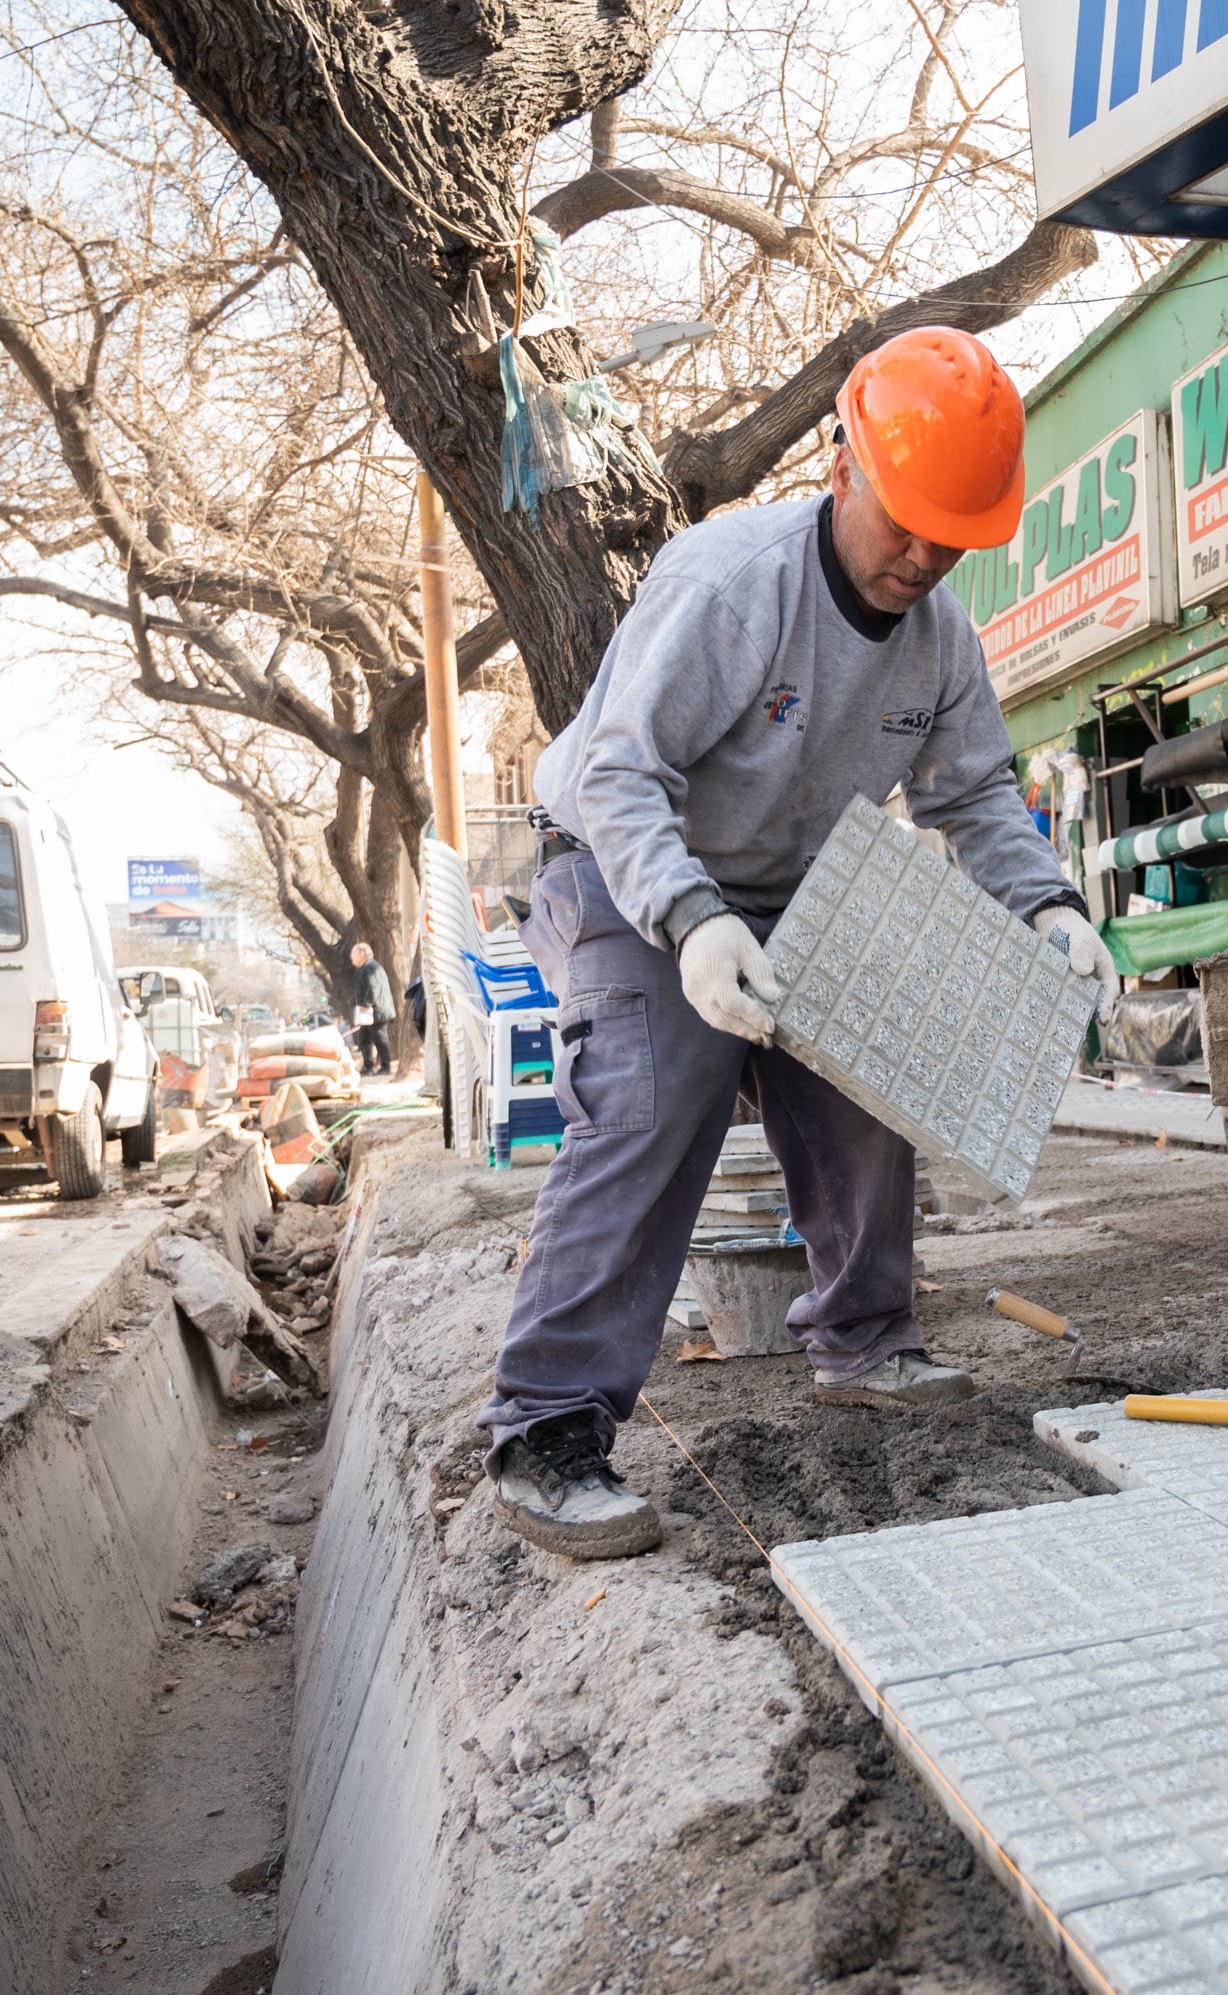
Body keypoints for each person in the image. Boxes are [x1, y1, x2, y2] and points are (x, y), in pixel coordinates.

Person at [482, 327, 1109, 1559]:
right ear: (841, 469)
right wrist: (694, 923)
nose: (925, 557)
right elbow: (616, 775)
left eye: (952, 537)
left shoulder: (939, 640)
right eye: (906, 521)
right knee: (662, 1089)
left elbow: (974, 797)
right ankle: (547, 1428)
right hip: (621, 872)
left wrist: (1053, 907)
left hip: (786, 886)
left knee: (870, 1075)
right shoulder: (732, 585)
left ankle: (865, 1342)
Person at [347, 941, 395, 1075]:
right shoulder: (366, 967)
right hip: (370, 1012)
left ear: (362, 953)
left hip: (376, 1011)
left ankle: (386, 1066)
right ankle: (369, 1066)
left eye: (353, 955)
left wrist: (365, 1004)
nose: (352, 959)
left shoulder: (370, 967)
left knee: (380, 1038)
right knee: (364, 1038)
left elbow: (373, 988)